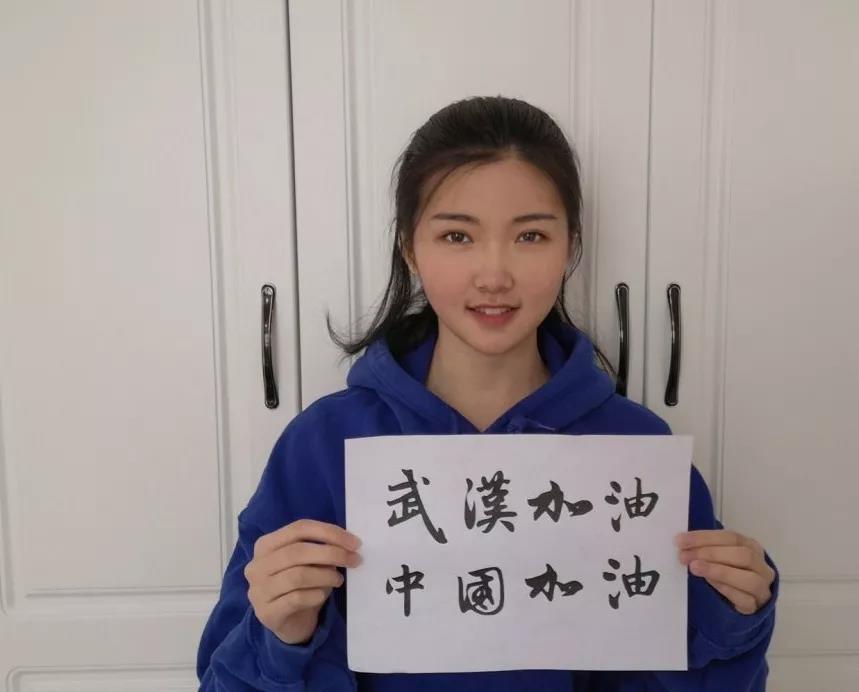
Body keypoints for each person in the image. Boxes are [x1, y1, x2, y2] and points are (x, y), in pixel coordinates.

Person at [197, 95, 779, 691]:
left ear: (571, 247)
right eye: (457, 235)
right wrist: (281, 639)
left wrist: (734, 621)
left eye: (531, 235)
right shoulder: (323, 445)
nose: (495, 275)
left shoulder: (635, 450)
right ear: (409, 247)